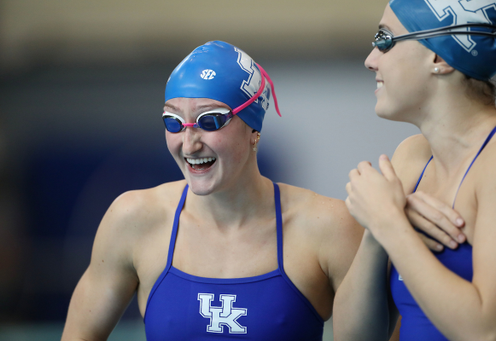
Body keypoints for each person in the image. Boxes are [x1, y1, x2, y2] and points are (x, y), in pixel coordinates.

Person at [60, 40, 364, 341]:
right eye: (174, 122)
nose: (189, 144)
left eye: (210, 121)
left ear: (253, 129)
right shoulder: (135, 220)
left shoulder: (328, 227)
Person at [334, 1, 496, 340]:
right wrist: (375, 234)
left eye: (384, 39)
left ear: (439, 58)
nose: (371, 59)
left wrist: (389, 222)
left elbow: (487, 331)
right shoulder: (412, 158)